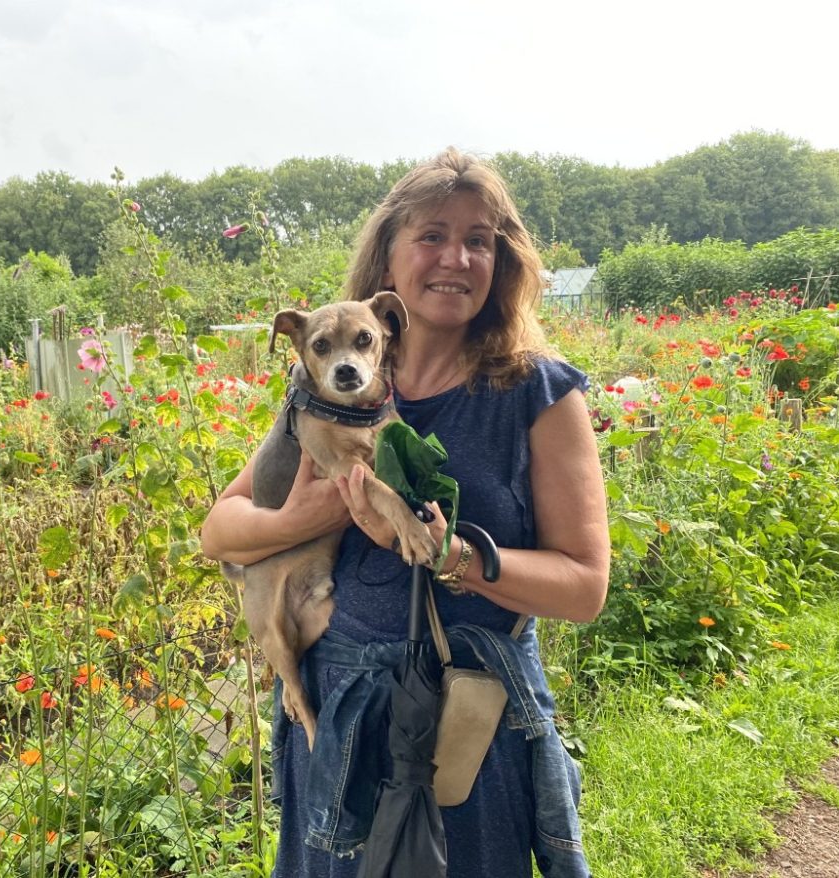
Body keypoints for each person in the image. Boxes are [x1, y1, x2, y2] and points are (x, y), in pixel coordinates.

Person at [200, 147, 610, 877]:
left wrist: (452, 555)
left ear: (501, 260)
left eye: (479, 239)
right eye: (431, 235)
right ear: (388, 262)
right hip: (339, 711)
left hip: (466, 718)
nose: (455, 256)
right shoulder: (330, 393)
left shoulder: (537, 393)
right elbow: (219, 530)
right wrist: (307, 519)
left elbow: (583, 587)